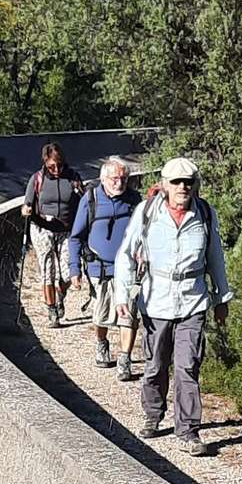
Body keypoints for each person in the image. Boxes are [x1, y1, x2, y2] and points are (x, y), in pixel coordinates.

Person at [114, 154, 232, 453]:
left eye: (188, 182)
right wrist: (121, 295)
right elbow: (126, 255)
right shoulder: (147, 212)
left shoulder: (205, 214)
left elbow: (215, 257)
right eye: (177, 181)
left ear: (195, 185)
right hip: (156, 303)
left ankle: (188, 431)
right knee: (155, 365)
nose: (183, 187)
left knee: (187, 367)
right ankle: (153, 415)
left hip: (193, 302)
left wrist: (222, 297)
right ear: (165, 184)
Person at [66, 154, 143, 369]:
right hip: (99, 268)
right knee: (101, 314)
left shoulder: (134, 200)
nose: (119, 183)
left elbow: (145, 233)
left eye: (123, 179)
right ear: (103, 179)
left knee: (129, 314)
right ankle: (102, 343)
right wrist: (74, 269)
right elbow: (76, 237)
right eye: (115, 179)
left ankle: (125, 358)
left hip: (128, 269)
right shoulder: (90, 199)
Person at [20, 142, 84, 324]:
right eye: (51, 166)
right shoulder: (37, 179)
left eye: (59, 165)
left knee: (69, 272)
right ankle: (52, 309)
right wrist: (26, 210)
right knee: (48, 270)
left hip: (66, 230)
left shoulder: (73, 177)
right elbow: (27, 204)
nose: (56, 169)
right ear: (45, 163)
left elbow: (84, 202)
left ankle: (60, 293)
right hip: (42, 228)